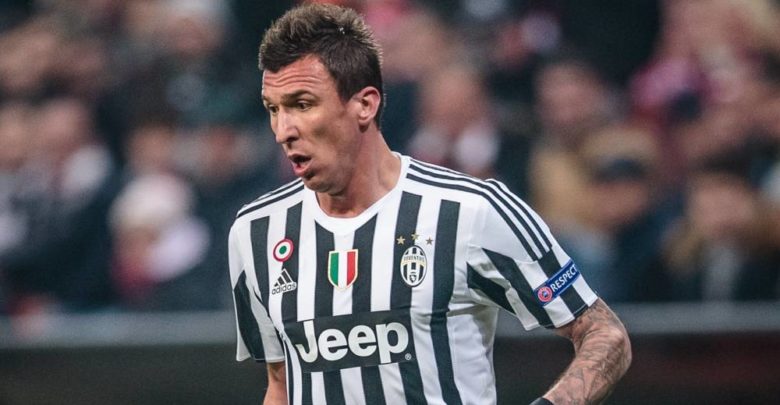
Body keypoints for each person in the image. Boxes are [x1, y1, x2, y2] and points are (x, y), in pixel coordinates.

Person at [227, 4, 631, 405]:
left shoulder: (470, 211)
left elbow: (604, 333)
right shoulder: (257, 232)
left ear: (365, 104)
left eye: (302, 104)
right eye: (273, 109)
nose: (283, 130)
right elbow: (281, 383)